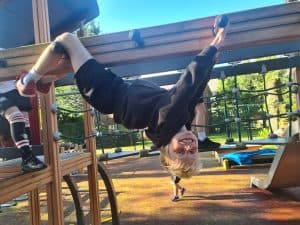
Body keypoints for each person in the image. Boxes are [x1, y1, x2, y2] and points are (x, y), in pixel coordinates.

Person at [16, 15, 229, 179]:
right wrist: (211, 62)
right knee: (69, 59)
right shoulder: (181, 120)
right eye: (192, 151)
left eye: (180, 152)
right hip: (112, 87)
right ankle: (45, 81)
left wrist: (214, 45)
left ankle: (28, 82)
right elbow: (196, 91)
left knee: (67, 40)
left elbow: (187, 83)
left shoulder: (169, 119)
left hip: (104, 91)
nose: (188, 146)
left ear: (167, 151)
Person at [0, 80, 47, 172]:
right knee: (16, 116)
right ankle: (27, 157)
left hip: (17, 89)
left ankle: (29, 157)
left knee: (24, 122)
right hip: (1, 91)